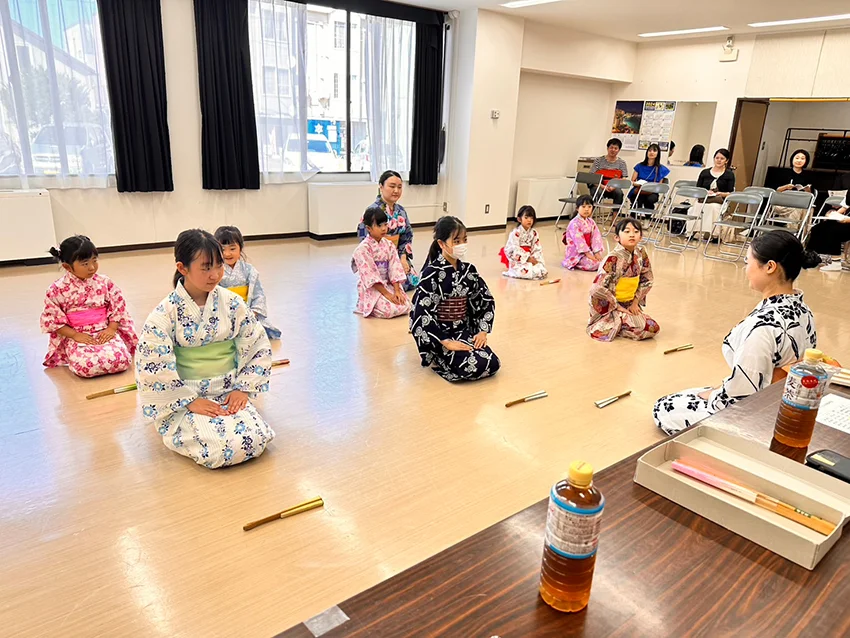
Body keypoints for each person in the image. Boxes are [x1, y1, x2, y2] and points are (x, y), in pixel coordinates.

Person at [653, 230, 819, 435]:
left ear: (769, 267)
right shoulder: (804, 309)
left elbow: (743, 393)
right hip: (785, 398)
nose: (745, 269)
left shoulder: (762, 327)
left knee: (663, 408)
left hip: (756, 412)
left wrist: (715, 396)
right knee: (694, 393)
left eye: (748, 262)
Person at [135, 229, 274, 469]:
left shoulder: (231, 303)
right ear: (182, 268)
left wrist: (243, 389)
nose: (215, 274)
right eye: (206, 267)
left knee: (256, 439)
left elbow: (256, 343)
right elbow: (153, 364)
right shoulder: (165, 313)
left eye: (219, 266)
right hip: (186, 396)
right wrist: (188, 400)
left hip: (228, 390)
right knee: (220, 449)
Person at [410, 216, 500, 382]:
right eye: (456, 241)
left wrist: (482, 331)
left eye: (464, 240)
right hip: (441, 335)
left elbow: (485, 299)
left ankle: (457, 355)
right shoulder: (431, 273)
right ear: (442, 244)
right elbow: (421, 312)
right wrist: (445, 341)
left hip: (463, 330)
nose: (462, 245)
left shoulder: (469, 270)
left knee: (492, 364)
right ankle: (438, 356)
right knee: (472, 367)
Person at [40, 235, 138, 378]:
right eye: (85, 263)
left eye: (94, 260)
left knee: (122, 360)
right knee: (86, 366)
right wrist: (75, 335)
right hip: (77, 334)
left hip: (104, 329)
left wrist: (111, 328)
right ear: (67, 267)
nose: (92, 267)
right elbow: (52, 320)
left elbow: (118, 306)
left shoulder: (104, 282)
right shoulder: (56, 290)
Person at [587, 217, 659, 342]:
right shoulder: (613, 258)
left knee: (653, 328)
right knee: (643, 328)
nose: (632, 235)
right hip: (610, 306)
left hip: (630, 303)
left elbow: (647, 279)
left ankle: (624, 321)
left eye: (636, 232)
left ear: (641, 237)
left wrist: (635, 302)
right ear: (617, 237)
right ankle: (616, 322)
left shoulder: (641, 253)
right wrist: (617, 306)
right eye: (626, 232)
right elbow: (597, 288)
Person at [214, 225, 281, 340]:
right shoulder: (214, 271)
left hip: (247, 312)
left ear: (240, 248)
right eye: (222, 249)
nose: (227, 254)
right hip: (225, 313)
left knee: (257, 332)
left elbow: (258, 294)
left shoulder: (249, 271)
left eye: (232, 248)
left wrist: (253, 312)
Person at [358, 170, 418, 290]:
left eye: (399, 187)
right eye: (392, 186)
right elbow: (364, 237)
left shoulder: (401, 211)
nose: (396, 190)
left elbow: (407, 235)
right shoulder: (372, 211)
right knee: (386, 284)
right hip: (379, 258)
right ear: (381, 187)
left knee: (411, 282)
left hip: (397, 254)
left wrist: (403, 258)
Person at [351, 207, 412, 318]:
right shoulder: (363, 249)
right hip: (373, 287)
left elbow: (395, 267)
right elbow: (370, 275)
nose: (384, 228)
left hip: (388, 284)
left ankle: (390, 298)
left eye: (385, 224)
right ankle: (369, 306)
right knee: (389, 310)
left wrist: (397, 291)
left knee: (406, 305)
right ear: (369, 228)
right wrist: (387, 294)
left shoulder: (389, 245)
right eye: (379, 225)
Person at [691, 148, 735, 237]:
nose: (719, 160)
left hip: (719, 200)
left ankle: (714, 234)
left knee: (714, 207)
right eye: (717, 158)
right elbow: (698, 189)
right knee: (696, 206)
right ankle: (693, 231)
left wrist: (720, 193)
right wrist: (706, 192)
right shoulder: (705, 172)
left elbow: (730, 193)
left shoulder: (729, 175)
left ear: (727, 161)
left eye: (722, 158)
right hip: (704, 198)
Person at [499, 205, 548, 280]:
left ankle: (534, 271)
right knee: (525, 271)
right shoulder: (515, 233)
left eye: (531, 218)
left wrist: (534, 259)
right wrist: (526, 258)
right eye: (526, 217)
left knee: (542, 270)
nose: (529, 220)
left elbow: (537, 248)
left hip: (531, 257)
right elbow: (513, 248)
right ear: (519, 219)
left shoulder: (534, 233)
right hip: (519, 260)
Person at [806, 191, 850, 272]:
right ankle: (812, 256)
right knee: (818, 227)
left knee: (833, 230)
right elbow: (845, 207)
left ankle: (836, 263)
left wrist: (846, 219)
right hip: (846, 220)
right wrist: (834, 215)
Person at [562, 195, 604, 271]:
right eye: (583, 207)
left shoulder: (591, 222)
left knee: (602, 260)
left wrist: (596, 252)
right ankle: (576, 263)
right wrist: (587, 254)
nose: (586, 209)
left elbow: (596, 237)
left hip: (590, 250)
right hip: (577, 253)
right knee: (594, 264)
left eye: (589, 207)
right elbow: (578, 240)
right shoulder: (574, 223)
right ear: (577, 208)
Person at [772, 149, 813, 223]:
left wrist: (807, 190)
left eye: (802, 158)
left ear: (806, 161)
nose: (799, 160)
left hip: (799, 202)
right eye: (797, 158)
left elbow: (811, 194)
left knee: (807, 208)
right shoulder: (783, 173)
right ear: (792, 159)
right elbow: (776, 190)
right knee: (799, 209)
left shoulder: (808, 176)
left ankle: (801, 232)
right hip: (783, 203)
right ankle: (793, 230)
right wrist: (786, 187)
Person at [629, 143, 670, 210]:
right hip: (639, 189)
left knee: (649, 200)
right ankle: (633, 218)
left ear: (658, 154)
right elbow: (632, 181)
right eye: (650, 150)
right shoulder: (639, 166)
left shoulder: (661, 169)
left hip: (652, 191)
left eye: (654, 151)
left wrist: (650, 187)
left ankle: (647, 219)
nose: (651, 152)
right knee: (637, 199)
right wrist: (638, 184)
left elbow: (659, 185)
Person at [592, 138, 629, 206]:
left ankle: (615, 216)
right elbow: (592, 177)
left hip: (614, 187)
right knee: (598, 192)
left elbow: (623, 178)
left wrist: (614, 186)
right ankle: (590, 214)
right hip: (599, 186)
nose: (613, 150)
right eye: (611, 147)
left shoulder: (622, 163)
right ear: (607, 148)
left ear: (619, 150)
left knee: (619, 193)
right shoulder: (598, 160)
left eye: (615, 148)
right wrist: (603, 186)